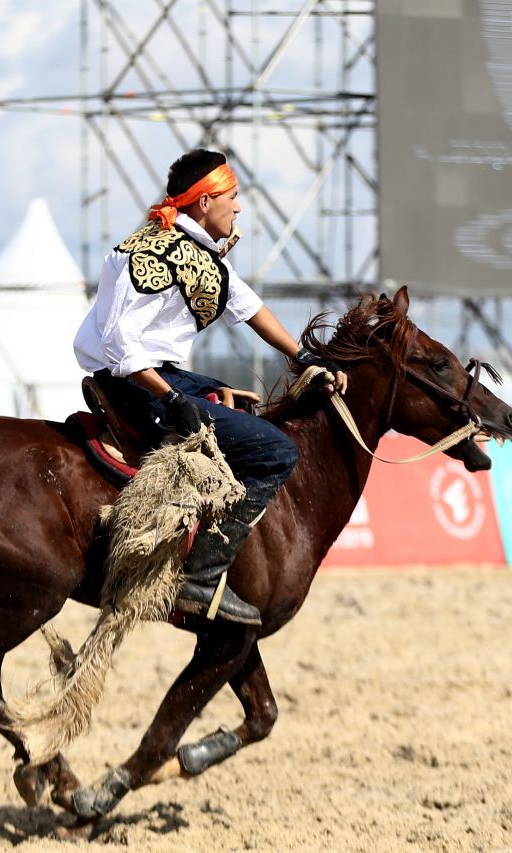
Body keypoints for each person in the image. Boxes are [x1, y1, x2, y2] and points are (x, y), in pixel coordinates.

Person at [73, 149, 346, 626]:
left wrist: (303, 357)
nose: (238, 208)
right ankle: (200, 577)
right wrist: (173, 399)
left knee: (240, 405)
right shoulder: (152, 255)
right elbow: (120, 342)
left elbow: (251, 307)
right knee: (276, 452)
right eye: (232, 197)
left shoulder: (196, 253)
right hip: (137, 384)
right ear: (204, 202)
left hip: (159, 375)